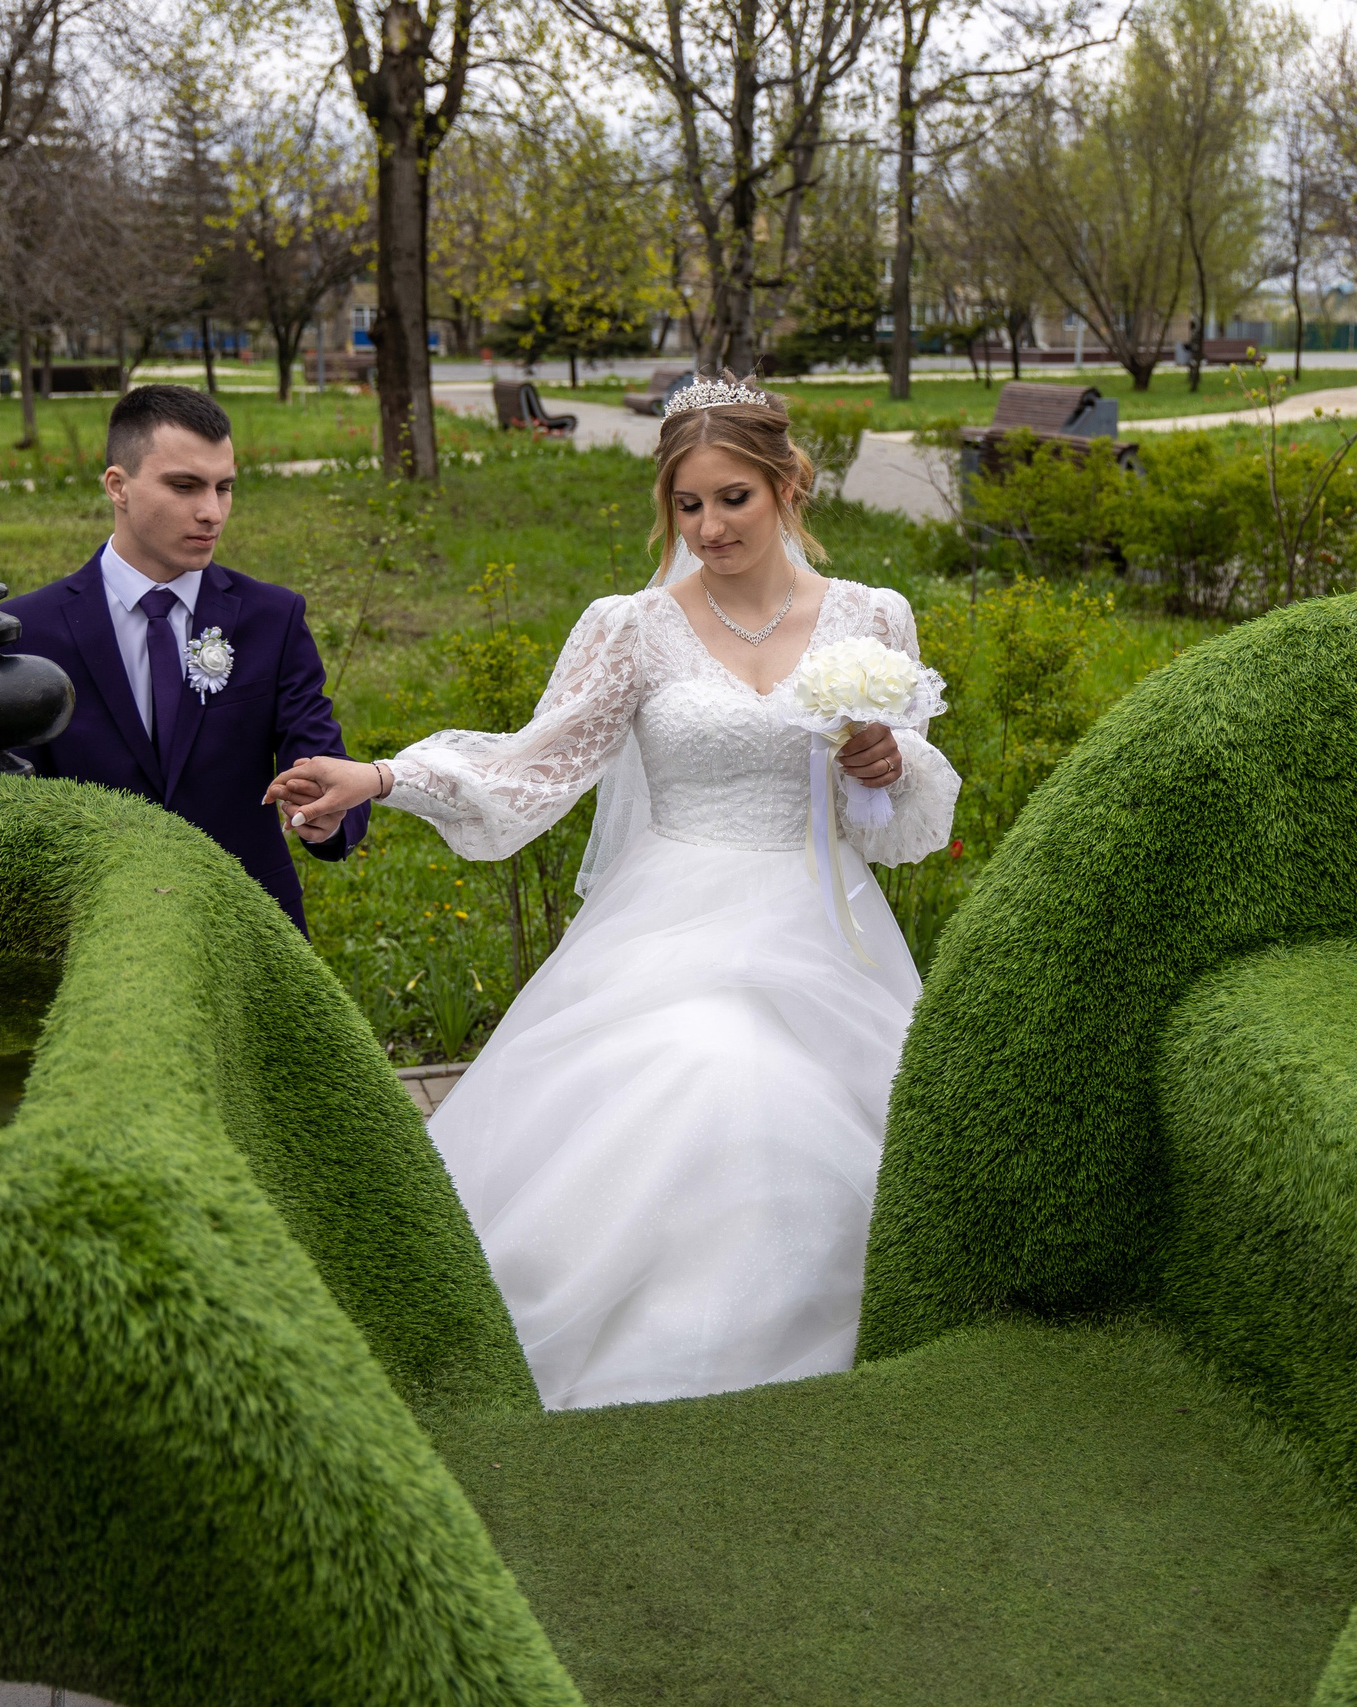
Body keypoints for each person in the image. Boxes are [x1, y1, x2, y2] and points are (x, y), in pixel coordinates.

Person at [266, 376, 960, 1410]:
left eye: (733, 498)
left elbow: (895, 823)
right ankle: (660, 1350)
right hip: (671, 919)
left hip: (821, 923)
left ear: (788, 486)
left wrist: (886, 763)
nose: (709, 527)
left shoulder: (872, 617)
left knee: (819, 1116)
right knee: (709, 1066)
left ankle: (804, 1353)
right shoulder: (632, 627)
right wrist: (379, 778)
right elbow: (532, 765)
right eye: (688, 504)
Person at [3, 385, 365, 934]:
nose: (211, 512)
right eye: (184, 486)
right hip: (90, 929)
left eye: (224, 488)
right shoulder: (28, 630)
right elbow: (13, 807)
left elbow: (319, 758)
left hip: (248, 922)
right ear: (118, 486)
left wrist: (328, 814)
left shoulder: (273, 617)